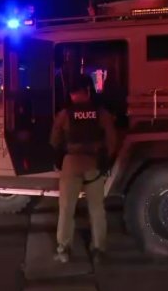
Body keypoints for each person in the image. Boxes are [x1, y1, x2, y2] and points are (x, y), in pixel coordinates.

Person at [50, 72, 118, 265]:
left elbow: (55, 141)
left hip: (71, 163)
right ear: (88, 91)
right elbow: (112, 141)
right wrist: (105, 161)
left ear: (72, 94)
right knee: (97, 209)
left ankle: (63, 250)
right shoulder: (101, 113)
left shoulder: (64, 114)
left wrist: (59, 160)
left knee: (66, 209)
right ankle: (98, 250)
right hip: (94, 164)